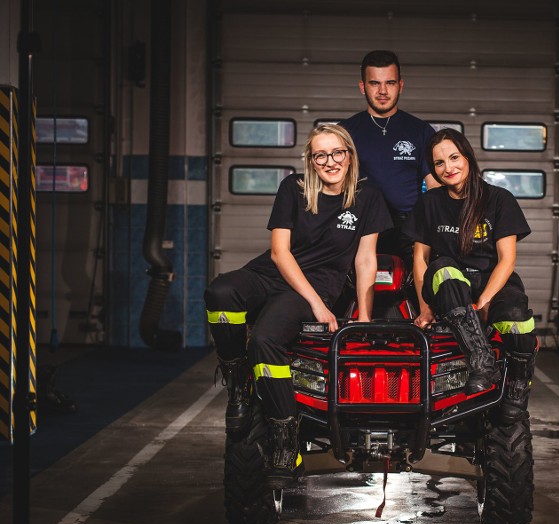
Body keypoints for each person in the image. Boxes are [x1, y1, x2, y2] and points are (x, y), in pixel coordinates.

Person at [204, 124, 392, 486]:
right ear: (311, 160)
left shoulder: (368, 197)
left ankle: (286, 442)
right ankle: (238, 381)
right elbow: (279, 253)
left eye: (337, 152)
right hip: (275, 274)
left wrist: (362, 316)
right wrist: (315, 305)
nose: (330, 161)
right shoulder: (294, 188)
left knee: (265, 340)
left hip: (319, 285)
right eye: (320, 155)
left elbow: (365, 260)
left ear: (349, 155)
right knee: (220, 293)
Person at [404, 129, 538, 423]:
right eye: (439, 163)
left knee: (518, 321)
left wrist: (485, 301)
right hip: (451, 286)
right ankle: (481, 359)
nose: (448, 168)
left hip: (494, 282)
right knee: (443, 267)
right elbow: (420, 259)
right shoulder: (430, 203)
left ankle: (517, 384)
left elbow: (507, 260)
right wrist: (425, 309)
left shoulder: (499, 199)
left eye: (454, 158)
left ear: (468, 157)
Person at [339, 50, 438, 261]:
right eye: (374, 83)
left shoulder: (420, 131)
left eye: (390, 83)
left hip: (409, 228)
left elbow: (435, 187)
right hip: (359, 225)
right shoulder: (344, 132)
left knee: (421, 286)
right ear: (362, 86)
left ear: (400, 86)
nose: (383, 91)